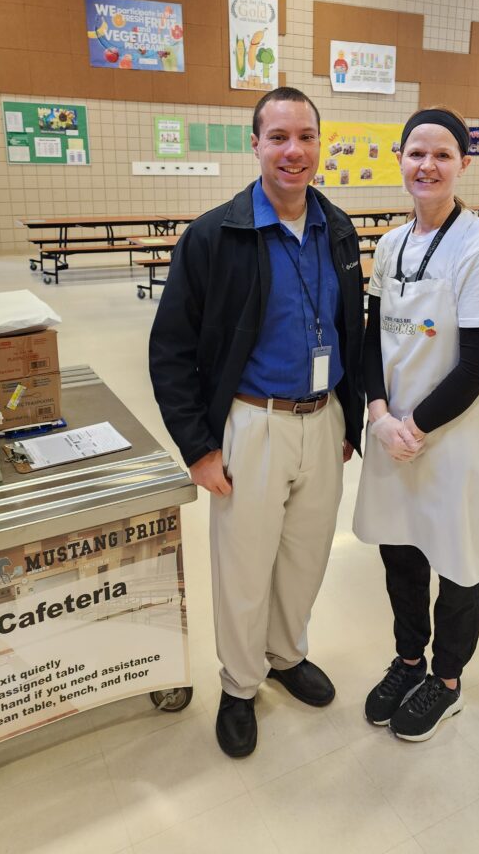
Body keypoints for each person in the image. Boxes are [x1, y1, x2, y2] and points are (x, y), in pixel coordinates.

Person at [150, 87, 365, 758]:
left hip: (323, 420)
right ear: (255, 144)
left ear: (319, 145)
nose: (293, 151)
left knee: (304, 558)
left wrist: (350, 418)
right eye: (278, 137)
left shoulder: (340, 228)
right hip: (253, 424)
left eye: (305, 136)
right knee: (245, 567)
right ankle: (240, 686)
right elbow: (171, 351)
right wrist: (198, 448)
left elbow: (351, 332)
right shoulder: (214, 236)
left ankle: (284, 654)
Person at [353, 107, 479, 743]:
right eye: (416, 153)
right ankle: (409, 660)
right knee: (401, 551)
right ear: (400, 159)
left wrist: (411, 427)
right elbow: (370, 341)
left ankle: (446, 681)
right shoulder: (390, 245)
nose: (428, 165)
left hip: (453, 441)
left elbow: (476, 364)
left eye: (442, 154)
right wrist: (378, 416)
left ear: (463, 164)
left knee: (458, 559)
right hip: (393, 433)